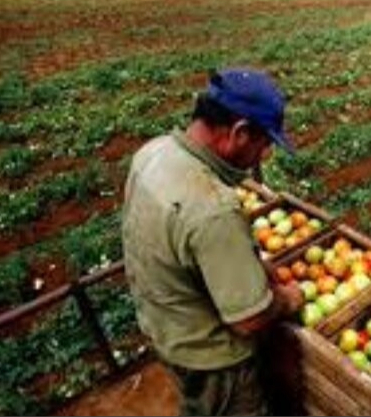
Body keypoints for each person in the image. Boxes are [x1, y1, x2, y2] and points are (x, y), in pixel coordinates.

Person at [122, 68, 304, 416]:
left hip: (166, 327)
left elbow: (176, 245)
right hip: (212, 360)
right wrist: (287, 299)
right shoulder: (213, 207)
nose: (262, 157)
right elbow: (248, 320)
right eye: (264, 144)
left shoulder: (153, 153)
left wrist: (245, 267)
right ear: (239, 133)